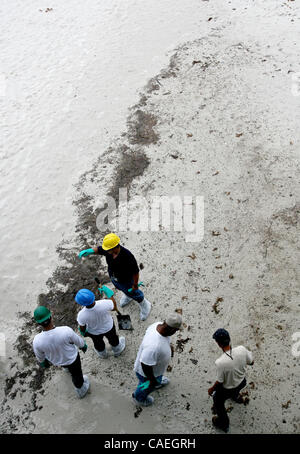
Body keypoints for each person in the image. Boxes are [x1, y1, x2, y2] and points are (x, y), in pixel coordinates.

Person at [78, 233, 151, 321]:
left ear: (115, 247)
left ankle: (145, 305)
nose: (105, 251)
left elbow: (135, 272)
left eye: (108, 249)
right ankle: (128, 296)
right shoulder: (108, 250)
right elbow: (99, 249)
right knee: (120, 288)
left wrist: (135, 284)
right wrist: (89, 251)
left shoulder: (127, 256)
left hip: (126, 279)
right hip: (114, 277)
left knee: (134, 293)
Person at [32, 306, 90, 399]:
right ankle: (81, 390)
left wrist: (44, 363)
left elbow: (40, 357)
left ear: (38, 323)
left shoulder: (37, 340)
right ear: (51, 317)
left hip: (58, 361)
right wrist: (83, 346)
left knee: (65, 365)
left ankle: (66, 369)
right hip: (72, 359)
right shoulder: (65, 330)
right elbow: (78, 341)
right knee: (76, 375)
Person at [208, 328, 254, 433]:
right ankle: (236, 397)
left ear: (218, 344)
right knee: (236, 391)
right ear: (229, 339)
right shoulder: (241, 349)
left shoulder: (220, 362)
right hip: (242, 382)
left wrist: (211, 389)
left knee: (218, 402)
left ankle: (224, 424)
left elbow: (220, 382)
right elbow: (251, 362)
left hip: (227, 389)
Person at [132, 313, 182, 407]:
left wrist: (169, 346)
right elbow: (145, 365)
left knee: (155, 380)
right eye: (176, 330)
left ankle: (158, 380)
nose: (176, 332)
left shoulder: (158, 325)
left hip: (156, 369)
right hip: (146, 375)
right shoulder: (154, 347)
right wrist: (152, 380)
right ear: (171, 329)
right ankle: (138, 398)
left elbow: (165, 340)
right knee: (145, 386)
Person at [75, 288, 125, 359]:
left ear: (80, 303)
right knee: (113, 338)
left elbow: (82, 327)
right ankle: (117, 350)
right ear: (93, 296)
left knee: (98, 343)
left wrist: (83, 331)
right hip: (109, 327)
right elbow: (114, 307)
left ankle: (103, 354)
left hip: (94, 333)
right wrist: (110, 295)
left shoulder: (81, 315)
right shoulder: (104, 303)